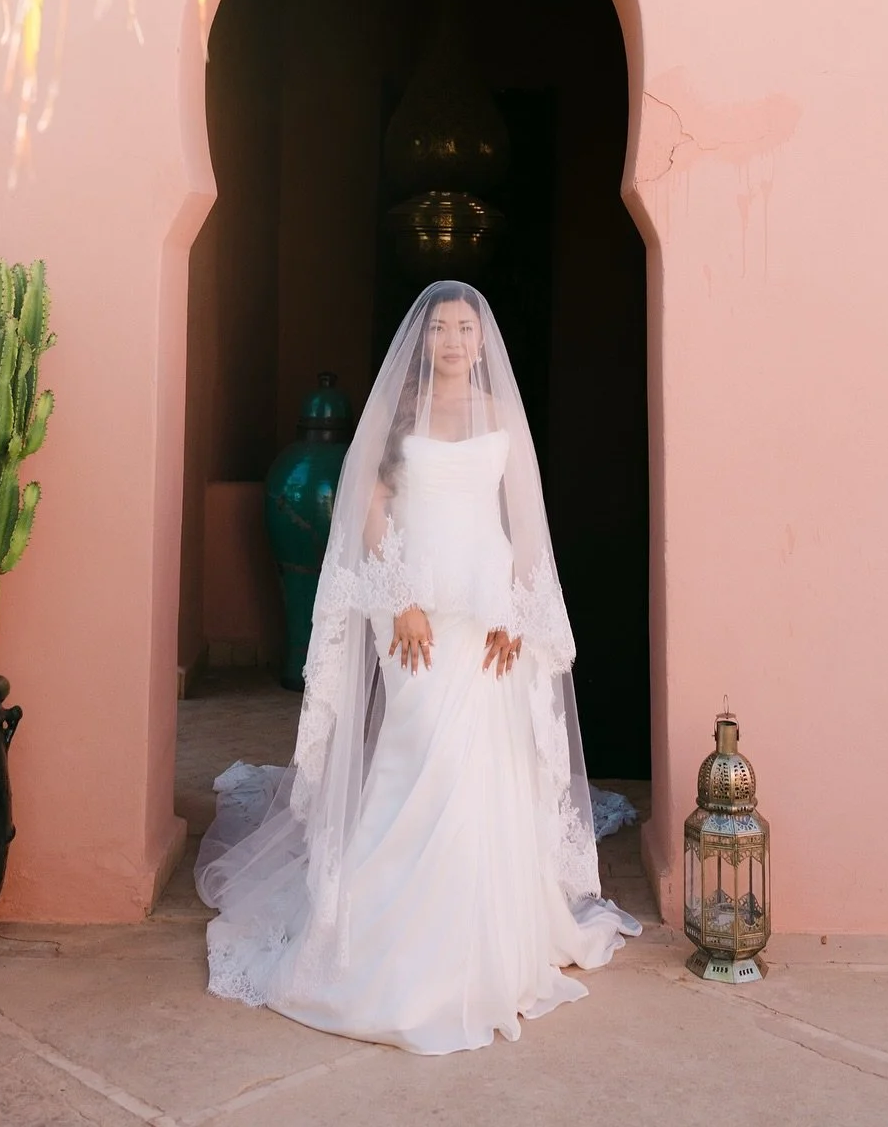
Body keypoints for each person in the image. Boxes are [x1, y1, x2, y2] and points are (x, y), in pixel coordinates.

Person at [195, 281, 640, 1055]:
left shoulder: (500, 415)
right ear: (424, 342)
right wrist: (398, 598)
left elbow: (523, 520)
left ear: (482, 340)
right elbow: (369, 509)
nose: (454, 340)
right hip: (417, 609)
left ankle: (483, 935)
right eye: (441, 329)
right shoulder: (401, 418)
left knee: (486, 761)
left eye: (466, 328)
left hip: (488, 607)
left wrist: (517, 609)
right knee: (421, 744)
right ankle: (381, 930)